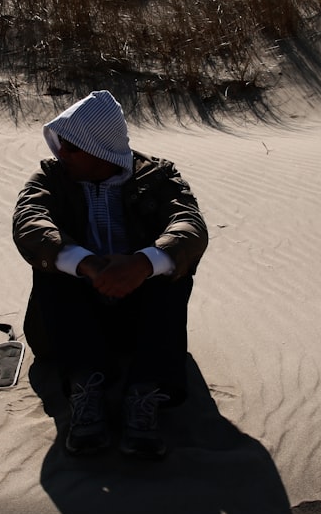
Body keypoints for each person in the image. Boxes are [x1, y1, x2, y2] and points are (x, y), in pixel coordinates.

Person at [13, 90, 208, 460]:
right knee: (54, 269)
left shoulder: (159, 175)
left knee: (171, 272)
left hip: (140, 315)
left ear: (99, 149)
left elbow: (190, 226)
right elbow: (30, 223)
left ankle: (145, 392)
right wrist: (85, 263)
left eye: (71, 147)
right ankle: (85, 386)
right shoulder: (51, 177)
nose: (61, 153)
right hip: (73, 318)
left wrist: (143, 264)